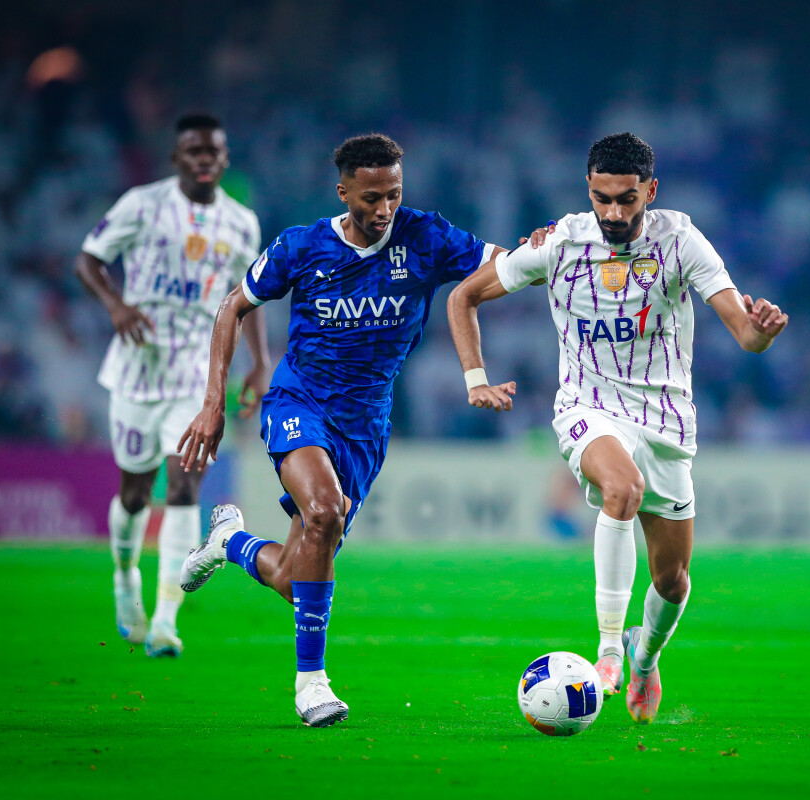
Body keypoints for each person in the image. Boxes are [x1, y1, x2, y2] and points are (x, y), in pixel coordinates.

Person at [446, 132, 788, 724]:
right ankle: (606, 652)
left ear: (650, 191)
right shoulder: (559, 243)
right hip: (588, 406)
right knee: (622, 488)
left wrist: (762, 331)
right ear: (588, 188)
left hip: (665, 420)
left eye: (627, 199)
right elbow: (463, 296)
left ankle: (643, 658)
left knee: (673, 581)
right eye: (602, 198)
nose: (613, 213)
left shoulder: (680, 241)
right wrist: (475, 376)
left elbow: (744, 334)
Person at [176, 133, 502, 727]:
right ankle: (312, 684)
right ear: (343, 192)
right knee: (325, 512)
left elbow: (503, 265)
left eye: (394, 195)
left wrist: (547, 248)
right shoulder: (302, 246)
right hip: (299, 401)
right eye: (371, 198)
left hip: (365, 425)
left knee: (294, 575)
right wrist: (213, 403)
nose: (384, 209)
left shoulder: (425, 237)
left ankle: (230, 542)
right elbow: (233, 307)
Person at [75, 113, 267, 657]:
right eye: (194, 151)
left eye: (213, 152)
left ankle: (165, 619)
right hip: (138, 369)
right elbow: (88, 260)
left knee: (184, 489)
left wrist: (260, 362)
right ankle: (125, 576)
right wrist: (115, 305)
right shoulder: (142, 205)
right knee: (135, 493)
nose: (204, 160)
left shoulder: (241, 224)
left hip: (197, 375)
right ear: (176, 158)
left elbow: (249, 297)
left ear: (224, 160)